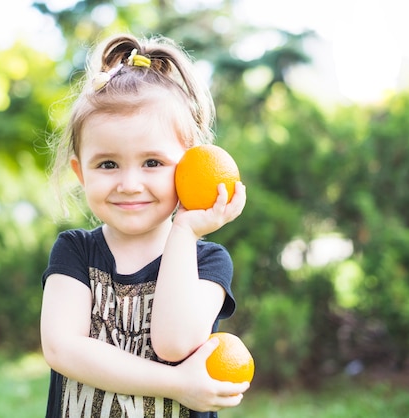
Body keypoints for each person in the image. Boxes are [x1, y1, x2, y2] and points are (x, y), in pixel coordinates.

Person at [41, 33, 248, 417]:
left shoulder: (207, 262)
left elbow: (174, 342)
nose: (129, 184)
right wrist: (178, 385)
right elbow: (61, 348)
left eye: (152, 162)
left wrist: (184, 232)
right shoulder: (75, 252)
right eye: (107, 164)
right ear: (81, 173)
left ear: (188, 167)